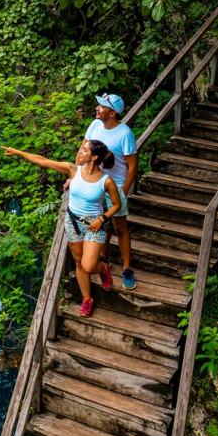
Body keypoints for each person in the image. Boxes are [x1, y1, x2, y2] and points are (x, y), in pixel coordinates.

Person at [5, 140, 121, 317]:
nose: (80, 152)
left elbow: (116, 205)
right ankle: (87, 299)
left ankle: (103, 269)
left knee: (88, 265)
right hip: (73, 221)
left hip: (94, 225)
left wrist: (102, 219)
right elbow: (43, 160)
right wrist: (18, 152)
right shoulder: (74, 170)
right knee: (79, 262)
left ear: (94, 157)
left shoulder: (106, 181)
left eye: (84, 150)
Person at [75, 93, 138, 290]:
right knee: (100, 225)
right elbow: (81, 152)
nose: (97, 108)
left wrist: (124, 190)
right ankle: (104, 258)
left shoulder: (124, 133)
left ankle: (127, 268)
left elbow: (132, 165)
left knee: (120, 227)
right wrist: (75, 177)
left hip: (116, 186)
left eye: (101, 106)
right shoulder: (94, 126)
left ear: (112, 113)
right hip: (95, 183)